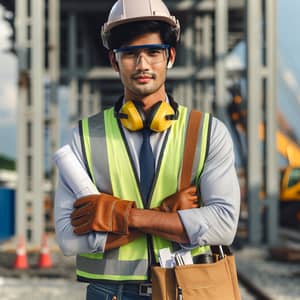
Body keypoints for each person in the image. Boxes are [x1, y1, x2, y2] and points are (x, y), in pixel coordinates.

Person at [54, 0, 240, 299]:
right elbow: (68, 239)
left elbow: (223, 226)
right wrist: (167, 215)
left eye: (153, 52)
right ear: (114, 62)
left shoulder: (208, 132)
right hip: (110, 293)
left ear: (170, 57)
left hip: (188, 288)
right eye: (130, 55)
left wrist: (123, 217)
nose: (142, 65)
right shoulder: (84, 138)